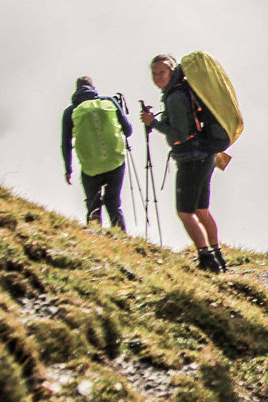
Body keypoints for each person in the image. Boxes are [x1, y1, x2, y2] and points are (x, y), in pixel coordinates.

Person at [140, 54, 229, 272]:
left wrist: (154, 123)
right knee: (201, 209)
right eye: (154, 73)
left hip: (191, 159)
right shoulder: (184, 89)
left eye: (161, 72)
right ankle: (217, 254)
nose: (157, 77)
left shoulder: (175, 97)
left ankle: (207, 259)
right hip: (205, 155)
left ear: (171, 71)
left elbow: (179, 134)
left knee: (185, 212)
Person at [60, 76, 133, 232]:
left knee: (93, 204)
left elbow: (66, 143)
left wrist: (68, 169)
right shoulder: (109, 102)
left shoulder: (70, 112)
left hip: (90, 167)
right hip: (115, 162)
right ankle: (122, 238)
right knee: (113, 202)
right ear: (93, 87)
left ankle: (95, 238)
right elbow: (128, 130)